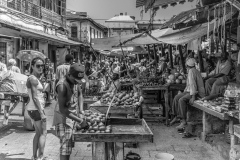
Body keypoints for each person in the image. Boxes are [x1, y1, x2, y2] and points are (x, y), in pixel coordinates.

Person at [53, 63, 88, 160]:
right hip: (63, 119)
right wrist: (80, 121)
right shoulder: (62, 86)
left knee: (69, 146)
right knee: (65, 147)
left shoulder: (75, 81)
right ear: (69, 75)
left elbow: (80, 94)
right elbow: (62, 109)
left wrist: (81, 110)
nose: (77, 83)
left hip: (72, 116)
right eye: (75, 80)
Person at [170, 58, 205, 129]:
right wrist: (184, 92)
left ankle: (183, 120)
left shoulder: (192, 71)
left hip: (196, 92)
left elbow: (193, 85)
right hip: (190, 91)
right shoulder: (193, 71)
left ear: (187, 65)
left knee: (181, 100)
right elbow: (189, 85)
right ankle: (176, 116)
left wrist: (193, 97)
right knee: (176, 97)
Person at [26, 57, 48, 160]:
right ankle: (41, 156)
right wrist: (42, 113)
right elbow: (35, 97)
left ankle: (34, 156)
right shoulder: (33, 79)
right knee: (43, 133)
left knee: (38, 133)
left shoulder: (34, 78)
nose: (40, 67)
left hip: (32, 109)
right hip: (36, 109)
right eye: (38, 66)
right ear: (32, 66)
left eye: (42, 65)